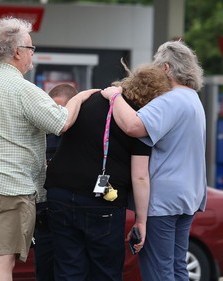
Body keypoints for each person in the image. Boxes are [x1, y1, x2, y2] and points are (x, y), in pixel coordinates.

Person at [0, 17, 98, 281]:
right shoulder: (22, 88)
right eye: (31, 49)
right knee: (1, 264)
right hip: (8, 187)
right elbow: (61, 122)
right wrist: (81, 97)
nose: (32, 56)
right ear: (17, 52)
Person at [44, 63, 171, 281]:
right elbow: (140, 176)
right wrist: (142, 220)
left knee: (68, 270)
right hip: (102, 204)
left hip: (60, 194)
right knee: (105, 272)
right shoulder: (139, 120)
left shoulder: (89, 100)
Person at [101, 40, 207, 281]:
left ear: (167, 68)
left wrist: (115, 96)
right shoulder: (193, 99)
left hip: (163, 201)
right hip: (188, 196)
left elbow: (133, 125)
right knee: (178, 269)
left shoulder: (172, 99)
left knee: (158, 272)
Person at [34, 83, 77, 281]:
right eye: (54, 109)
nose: (58, 116)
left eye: (63, 109)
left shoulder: (81, 136)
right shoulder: (42, 136)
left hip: (72, 213)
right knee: (45, 271)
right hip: (45, 213)